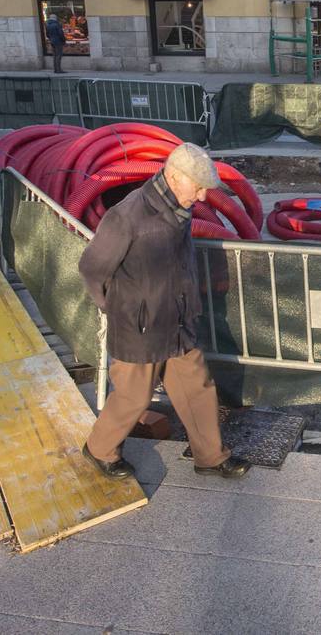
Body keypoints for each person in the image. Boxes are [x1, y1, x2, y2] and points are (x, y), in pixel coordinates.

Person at [78, 143, 251, 481]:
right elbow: (92, 268)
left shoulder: (178, 209)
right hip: (139, 326)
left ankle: (210, 456)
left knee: (197, 388)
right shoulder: (127, 215)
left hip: (178, 320)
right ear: (174, 176)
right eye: (198, 187)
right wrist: (117, 308)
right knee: (133, 396)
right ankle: (99, 450)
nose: (202, 197)